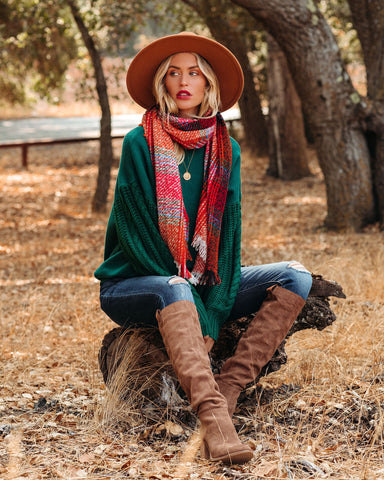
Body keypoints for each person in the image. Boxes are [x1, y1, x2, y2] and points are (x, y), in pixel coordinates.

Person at [94, 32, 312, 465]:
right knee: (174, 284)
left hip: (195, 283)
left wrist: (210, 308)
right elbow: (137, 238)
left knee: (295, 275)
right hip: (134, 282)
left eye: (194, 72)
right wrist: (197, 303)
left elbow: (227, 244)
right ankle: (214, 422)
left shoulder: (226, 149)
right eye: (173, 73)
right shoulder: (140, 143)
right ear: (163, 83)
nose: (183, 81)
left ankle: (227, 393)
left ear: (209, 84)